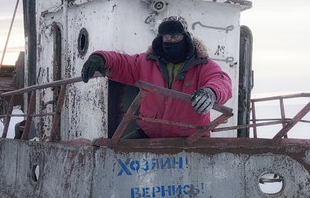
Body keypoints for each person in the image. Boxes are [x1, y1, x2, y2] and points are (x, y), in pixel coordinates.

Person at [80, 17, 232, 138]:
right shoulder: (146, 62)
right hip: (150, 135)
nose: (170, 40)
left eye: (175, 36)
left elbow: (221, 80)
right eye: (166, 36)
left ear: (186, 38)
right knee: (115, 155)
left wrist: (210, 92)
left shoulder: (202, 64)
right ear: (160, 38)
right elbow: (122, 63)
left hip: (192, 138)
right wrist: (100, 58)